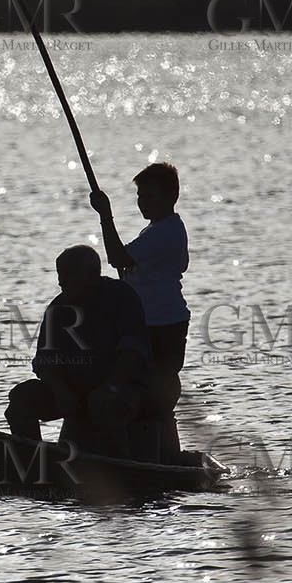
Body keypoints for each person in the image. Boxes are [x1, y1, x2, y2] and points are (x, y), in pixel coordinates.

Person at [4, 244, 151, 458]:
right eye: (59, 274)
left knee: (105, 404)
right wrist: (60, 390)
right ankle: (33, 461)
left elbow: (133, 352)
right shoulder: (57, 309)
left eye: (68, 274)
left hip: (120, 389)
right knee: (21, 398)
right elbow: (45, 363)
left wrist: (110, 387)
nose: (61, 281)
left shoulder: (121, 297)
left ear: (92, 275)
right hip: (71, 392)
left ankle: (117, 467)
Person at [91, 161, 191, 462]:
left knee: (151, 393)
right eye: (140, 196)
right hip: (151, 323)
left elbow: (117, 257)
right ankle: (159, 453)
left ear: (171, 197)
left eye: (150, 197)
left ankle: (156, 457)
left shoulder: (166, 231)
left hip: (162, 326)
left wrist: (105, 216)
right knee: (146, 392)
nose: (142, 203)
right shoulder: (155, 230)